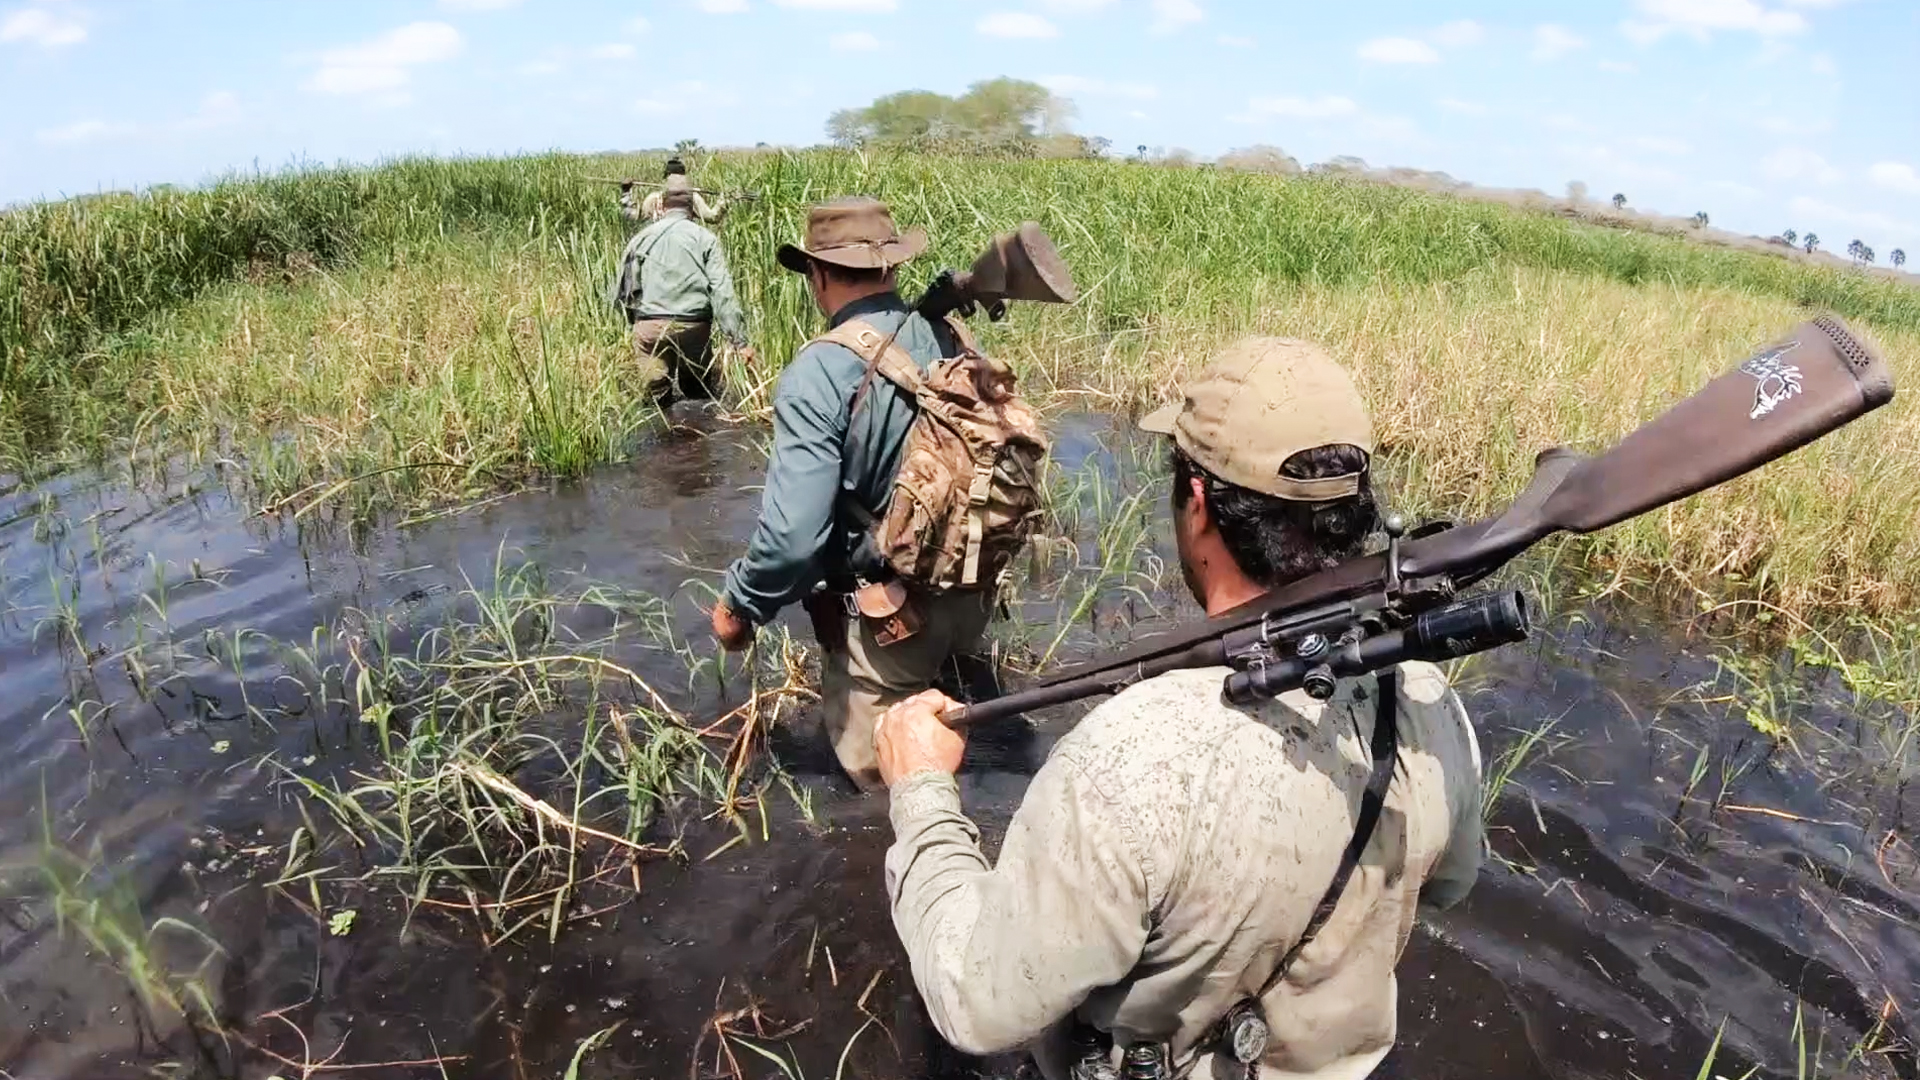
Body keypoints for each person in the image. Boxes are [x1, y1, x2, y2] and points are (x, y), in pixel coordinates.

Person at [871, 337, 1488, 1079]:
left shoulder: (1130, 758)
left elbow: (976, 1001)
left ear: (1197, 503)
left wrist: (922, 795)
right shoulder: (1429, 698)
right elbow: (1450, 883)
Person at [709, 196, 997, 793]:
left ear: (816, 275)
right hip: (970, 592)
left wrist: (739, 607)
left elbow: (793, 540)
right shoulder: (948, 333)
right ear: (891, 267)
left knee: (886, 795)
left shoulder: (817, 372)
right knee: (956, 740)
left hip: (889, 621)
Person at [609, 174, 752, 405]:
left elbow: (624, 289)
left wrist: (635, 323)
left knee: (656, 399)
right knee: (697, 396)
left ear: (662, 206)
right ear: (693, 208)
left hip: (649, 327)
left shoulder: (640, 238)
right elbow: (722, 292)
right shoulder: (705, 238)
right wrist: (739, 341)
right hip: (693, 328)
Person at [621, 155, 728, 225]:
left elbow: (632, 217)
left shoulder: (654, 198)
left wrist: (626, 193)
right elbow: (713, 217)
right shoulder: (691, 197)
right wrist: (722, 202)